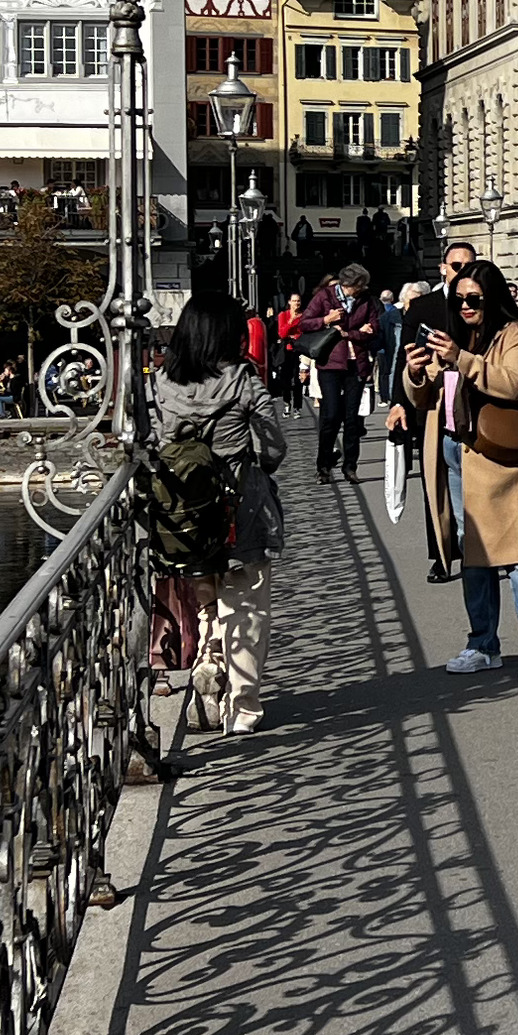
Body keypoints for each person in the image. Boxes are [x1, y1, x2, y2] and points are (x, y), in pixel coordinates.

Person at [405, 256, 518, 682]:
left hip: (505, 458)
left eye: (473, 299)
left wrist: (462, 359)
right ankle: (482, 644)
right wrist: (416, 374)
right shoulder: (454, 337)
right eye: (458, 300)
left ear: (492, 297)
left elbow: (515, 383)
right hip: (459, 454)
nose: (465, 307)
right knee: (473, 556)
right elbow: (428, 399)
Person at [146, 296, 281, 733]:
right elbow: (273, 448)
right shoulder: (244, 382)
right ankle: (242, 707)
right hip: (241, 509)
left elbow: (148, 445)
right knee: (245, 607)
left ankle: (207, 664)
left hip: (184, 513)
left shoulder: (159, 384)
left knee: (206, 599)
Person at [308, 264, 377, 481]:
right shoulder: (324, 297)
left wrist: (349, 333)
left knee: (352, 418)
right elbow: (304, 323)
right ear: (350, 285)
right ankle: (324, 466)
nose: (363, 288)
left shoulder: (366, 300)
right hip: (330, 363)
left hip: (356, 363)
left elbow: (373, 328)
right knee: (330, 415)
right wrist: (326, 320)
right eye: (360, 285)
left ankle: (350, 466)